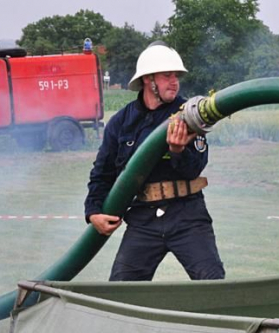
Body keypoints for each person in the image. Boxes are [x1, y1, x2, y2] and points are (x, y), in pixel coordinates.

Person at [84, 42, 224, 281]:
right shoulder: (121, 121)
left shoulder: (189, 114)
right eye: (167, 75)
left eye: (176, 75)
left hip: (187, 215)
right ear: (149, 80)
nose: (174, 81)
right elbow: (102, 172)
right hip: (143, 218)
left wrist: (178, 150)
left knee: (213, 285)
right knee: (120, 293)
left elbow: (194, 168)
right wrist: (93, 211)